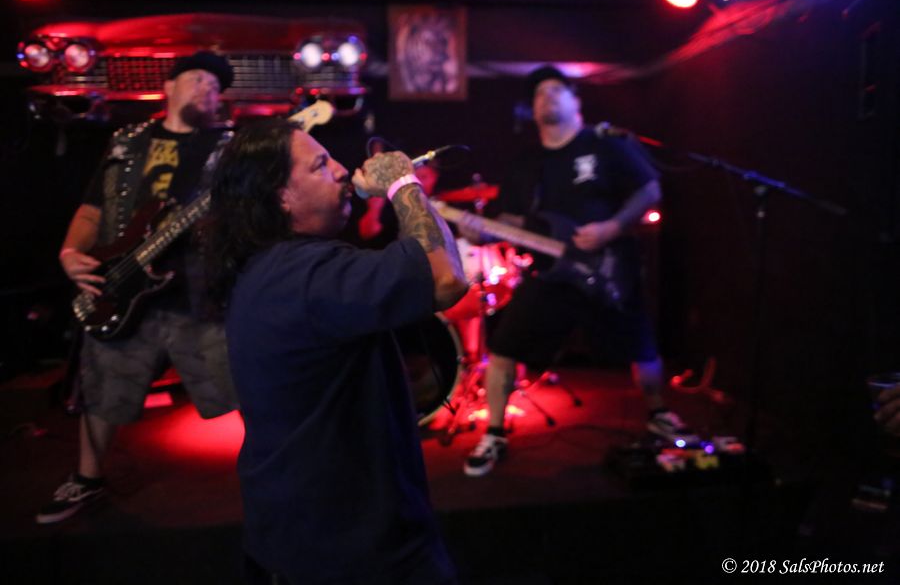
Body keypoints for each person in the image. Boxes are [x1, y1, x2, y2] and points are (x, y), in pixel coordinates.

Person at [205, 118, 467, 584]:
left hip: (303, 534)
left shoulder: (272, 268)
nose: (343, 170)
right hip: (350, 548)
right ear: (281, 197)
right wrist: (403, 183)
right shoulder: (309, 274)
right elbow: (445, 276)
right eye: (320, 166)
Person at [36, 51, 240, 524]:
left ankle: (282, 472)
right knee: (102, 387)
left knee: (240, 382)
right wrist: (70, 252)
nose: (207, 88)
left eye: (215, 85)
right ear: (168, 87)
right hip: (123, 285)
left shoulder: (230, 148)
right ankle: (86, 479)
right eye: (197, 78)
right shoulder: (127, 143)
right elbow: (92, 209)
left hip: (198, 292)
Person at [462, 65, 695, 477]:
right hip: (551, 273)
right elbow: (512, 219)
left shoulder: (604, 144)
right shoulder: (526, 163)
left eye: (557, 89)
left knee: (642, 346)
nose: (547, 97)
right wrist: (480, 231)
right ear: (532, 109)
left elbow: (649, 188)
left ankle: (658, 412)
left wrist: (613, 227)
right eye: (539, 93)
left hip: (607, 268)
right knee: (503, 348)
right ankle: (494, 432)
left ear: (576, 101)